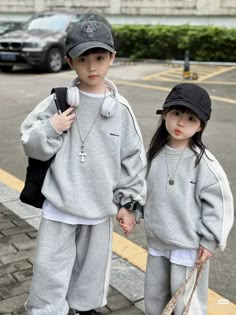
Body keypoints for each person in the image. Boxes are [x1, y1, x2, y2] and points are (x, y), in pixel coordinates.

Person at [20, 20, 146, 315]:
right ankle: (46, 310)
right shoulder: (58, 102)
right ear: (70, 62)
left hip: (99, 208)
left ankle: (86, 308)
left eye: (100, 58)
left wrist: (128, 204)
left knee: (92, 271)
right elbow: (29, 142)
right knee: (50, 269)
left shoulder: (121, 110)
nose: (92, 67)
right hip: (59, 205)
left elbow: (134, 161)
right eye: (83, 59)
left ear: (112, 58)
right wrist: (52, 127)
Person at [144, 83, 234, 315]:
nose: (181, 123)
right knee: (155, 296)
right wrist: (131, 211)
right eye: (176, 113)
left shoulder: (205, 164)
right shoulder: (153, 155)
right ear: (165, 114)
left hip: (188, 246)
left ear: (200, 126)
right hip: (158, 241)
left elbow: (220, 205)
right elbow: (141, 190)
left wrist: (210, 240)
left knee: (186, 302)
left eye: (191, 118)